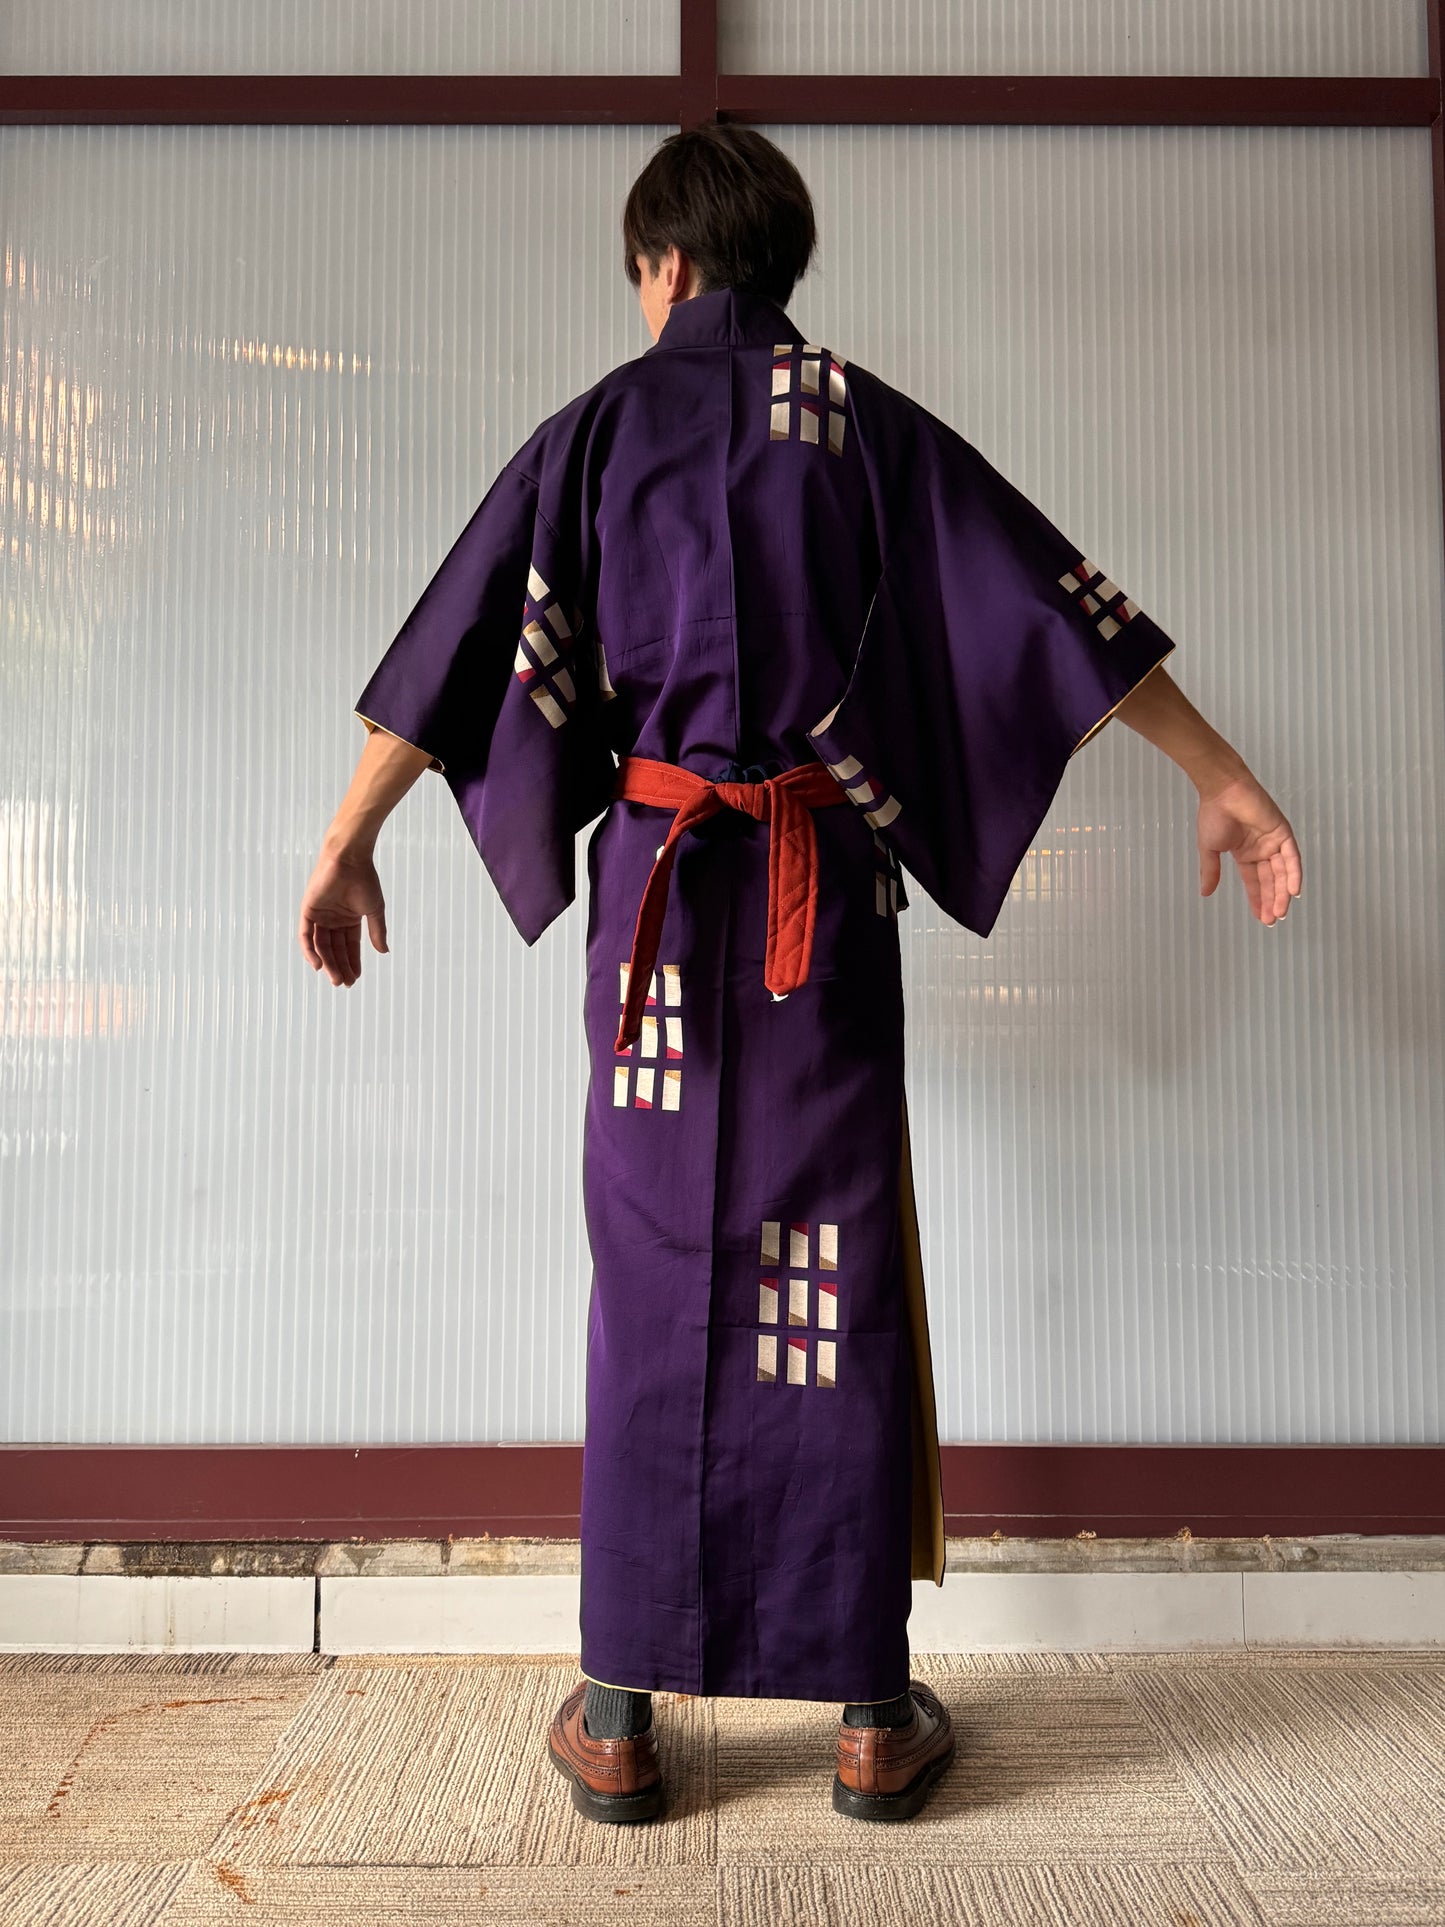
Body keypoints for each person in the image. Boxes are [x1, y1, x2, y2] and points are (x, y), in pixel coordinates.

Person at [298, 124, 1301, 1827]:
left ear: (665, 265)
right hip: (814, 896)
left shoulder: (596, 432)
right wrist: (1223, 773)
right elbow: (1044, 614)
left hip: (656, 921)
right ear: (773, 260)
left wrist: (345, 841)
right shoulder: (857, 423)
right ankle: (863, 1712)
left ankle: (617, 1714)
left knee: (653, 1274)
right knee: (822, 1274)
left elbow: (462, 648)